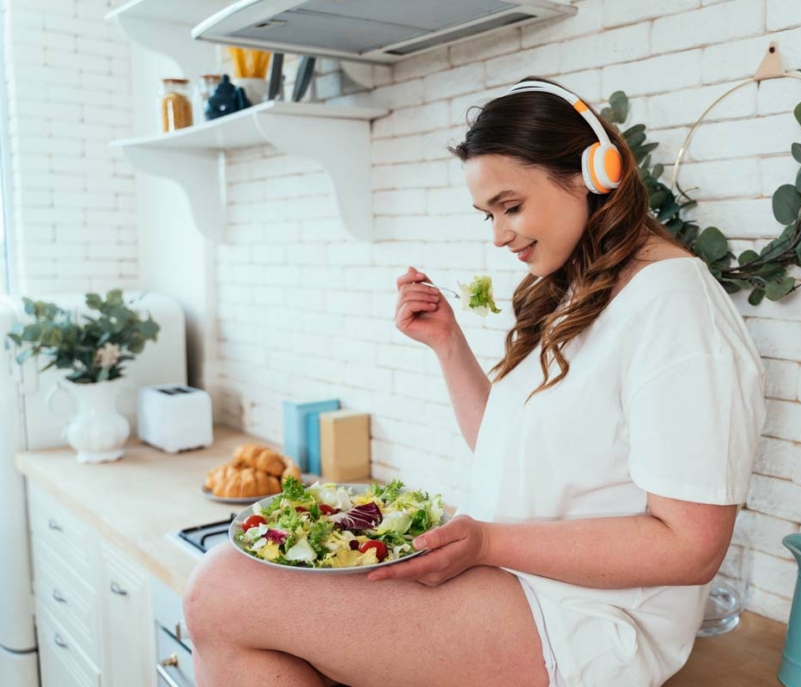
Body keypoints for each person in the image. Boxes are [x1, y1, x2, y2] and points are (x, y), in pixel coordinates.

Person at [182, 75, 767, 687]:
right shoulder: (581, 291)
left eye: (511, 206)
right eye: (488, 214)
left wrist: (487, 543)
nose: (499, 235)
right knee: (238, 622)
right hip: (520, 584)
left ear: (595, 172)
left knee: (221, 590)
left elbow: (691, 547)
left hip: (590, 621)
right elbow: (509, 448)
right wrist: (447, 344)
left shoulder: (675, 307)